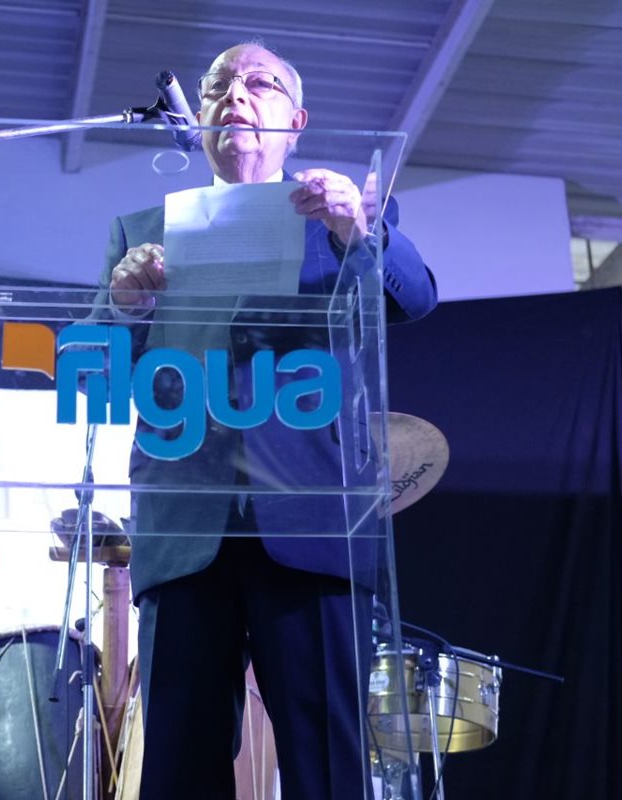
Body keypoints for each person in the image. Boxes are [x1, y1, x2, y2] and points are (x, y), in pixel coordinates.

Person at [99, 42, 438, 798]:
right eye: (219, 85)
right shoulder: (141, 232)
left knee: (327, 767)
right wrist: (126, 303)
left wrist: (357, 226)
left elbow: (414, 297)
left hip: (311, 526)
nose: (235, 97)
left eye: (261, 84)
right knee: (179, 767)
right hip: (187, 528)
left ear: (296, 120)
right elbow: (92, 363)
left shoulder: (341, 217)